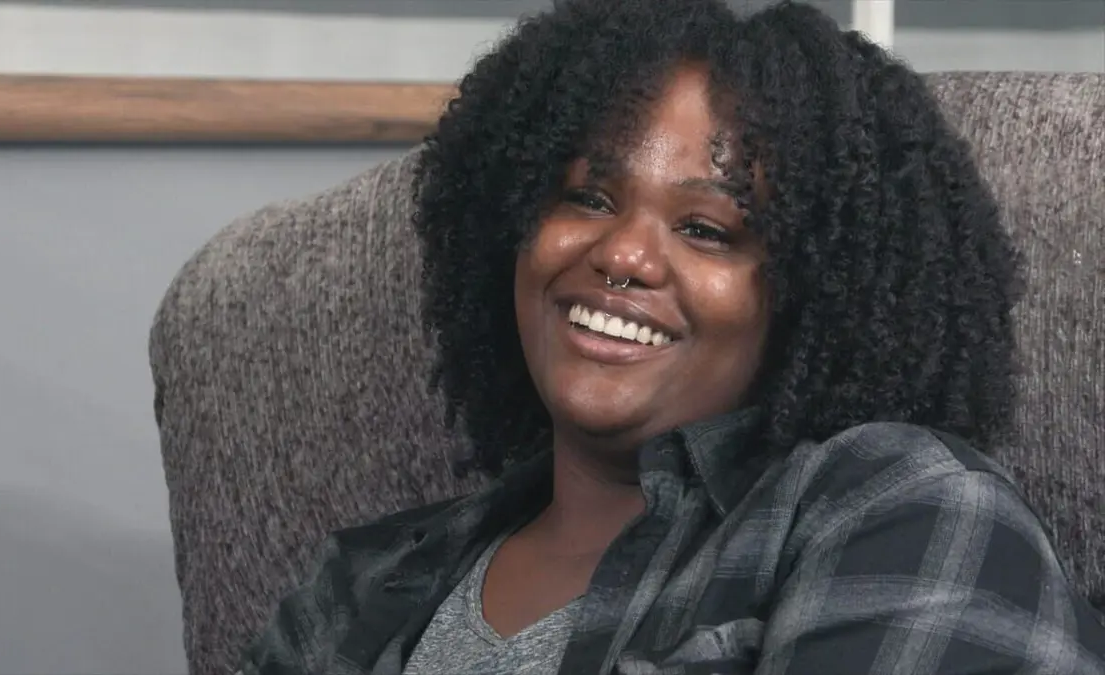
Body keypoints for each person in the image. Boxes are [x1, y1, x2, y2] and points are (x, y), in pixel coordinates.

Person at [239, 1, 1105, 673]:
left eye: (706, 230)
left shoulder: (907, 509)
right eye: (588, 198)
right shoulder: (359, 585)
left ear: (815, 293)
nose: (622, 255)